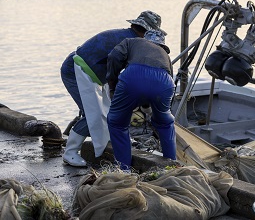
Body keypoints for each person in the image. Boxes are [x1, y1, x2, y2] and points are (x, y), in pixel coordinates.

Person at [60, 10, 166, 167]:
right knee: (92, 115)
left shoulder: (129, 38)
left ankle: (112, 137)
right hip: (75, 71)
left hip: (92, 75)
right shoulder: (131, 42)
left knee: (110, 110)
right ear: (146, 31)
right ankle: (70, 153)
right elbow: (119, 69)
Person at [106, 29, 176, 170]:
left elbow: (114, 56)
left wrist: (112, 81)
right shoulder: (165, 56)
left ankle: (124, 169)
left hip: (133, 76)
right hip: (165, 82)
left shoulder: (132, 41)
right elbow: (168, 83)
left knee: (117, 123)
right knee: (165, 123)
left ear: (145, 39)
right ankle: (171, 167)